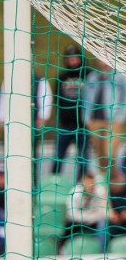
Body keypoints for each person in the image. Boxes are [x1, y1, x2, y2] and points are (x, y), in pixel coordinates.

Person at [83, 58, 126, 174]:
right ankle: (104, 179)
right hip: (95, 121)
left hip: (113, 121)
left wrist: (120, 117)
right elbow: (85, 99)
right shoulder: (92, 77)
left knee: (110, 154)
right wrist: (86, 119)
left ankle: (113, 179)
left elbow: (124, 97)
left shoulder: (119, 77)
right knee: (100, 154)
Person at [52, 45, 88, 180]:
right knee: (58, 155)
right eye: (70, 58)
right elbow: (57, 98)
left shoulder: (88, 75)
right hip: (65, 125)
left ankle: (81, 182)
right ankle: (55, 180)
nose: (73, 61)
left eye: (75, 58)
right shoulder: (62, 77)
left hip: (83, 125)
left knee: (83, 157)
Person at [64, 172, 107, 244]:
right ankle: (63, 248)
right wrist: (89, 215)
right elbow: (72, 214)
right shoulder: (75, 193)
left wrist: (89, 216)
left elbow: (101, 213)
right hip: (76, 222)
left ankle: (101, 247)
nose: (91, 187)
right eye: (88, 184)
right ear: (83, 184)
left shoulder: (100, 192)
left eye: (93, 184)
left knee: (103, 224)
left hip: (94, 222)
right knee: (67, 228)